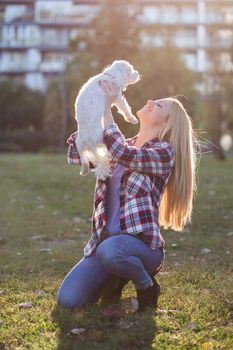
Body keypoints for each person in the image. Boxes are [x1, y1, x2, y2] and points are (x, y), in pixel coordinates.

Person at [57, 80, 199, 313]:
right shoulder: (123, 144)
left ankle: (146, 285)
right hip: (105, 244)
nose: (151, 102)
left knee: (112, 251)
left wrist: (108, 108)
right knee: (69, 301)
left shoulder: (163, 153)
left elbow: (122, 153)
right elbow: (78, 156)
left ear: (167, 123)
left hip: (142, 248)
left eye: (160, 106)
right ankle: (116, 279)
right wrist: (90, 119)